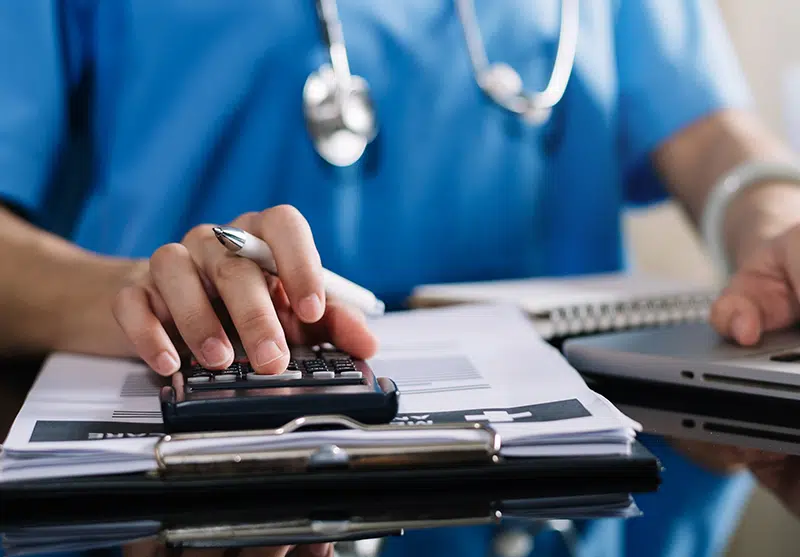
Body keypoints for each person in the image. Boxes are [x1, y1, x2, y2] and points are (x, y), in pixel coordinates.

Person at [2, 1, 800, 556]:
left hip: (578, 489)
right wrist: (131, 293)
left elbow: (714, 137)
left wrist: (775, 231)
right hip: (214, 475)